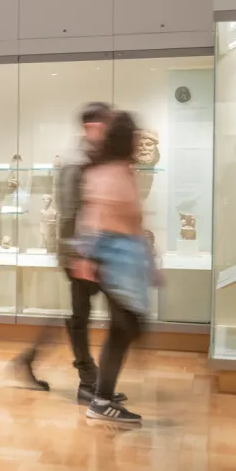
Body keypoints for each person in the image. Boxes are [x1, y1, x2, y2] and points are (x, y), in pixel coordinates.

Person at [8, 102, 125, 405]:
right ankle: (89, 381)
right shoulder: (76, 162)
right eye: (106, 125)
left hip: (96, 252)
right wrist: (79, 256)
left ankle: (37, 363)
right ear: (92, 127)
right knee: (82, 316)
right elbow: (71, 214)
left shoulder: (94, 159)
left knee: (82, 316)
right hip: (81, 253)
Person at [76, 109, 154, 425]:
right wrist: (85, 256)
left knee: (125, 328)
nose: (140, 142)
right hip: (116, 260)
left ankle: (102, 397)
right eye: (136, 137)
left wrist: (148, 258)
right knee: (124, 327)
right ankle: (101, 399)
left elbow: (133, 220)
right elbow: (93, 218)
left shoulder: (122, 170)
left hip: (127, 259)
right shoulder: (106, 173)